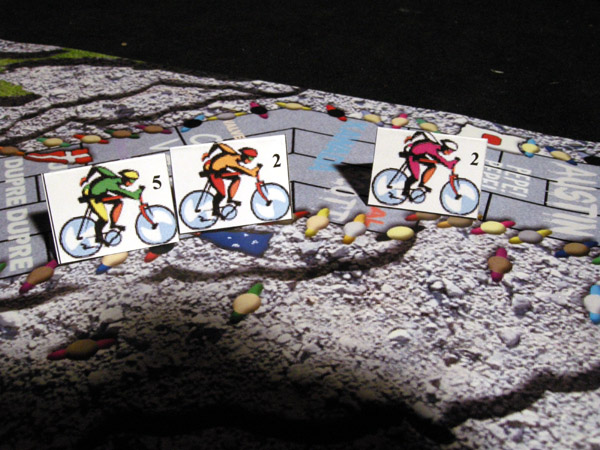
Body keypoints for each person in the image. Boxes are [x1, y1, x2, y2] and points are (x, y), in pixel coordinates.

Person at [79, 166, 144, 245]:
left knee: (118, 202)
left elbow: (96, 168)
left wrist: (87, 178)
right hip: (92, 196)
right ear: (126, 180)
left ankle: (113, 224)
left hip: (98, 193)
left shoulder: (113, 177)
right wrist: (140, 190)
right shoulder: (113, 185)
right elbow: (134, 196)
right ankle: (98, 237)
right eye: (130, 182)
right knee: (104, 219)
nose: (131, 184)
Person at [200, 142, 260, 218]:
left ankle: (230, 199)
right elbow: (251, 173)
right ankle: (215, 211)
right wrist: (258, 168)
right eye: (250, 158)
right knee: (221, 194)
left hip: (219, 168)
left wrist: (208, 154)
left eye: (253, 158)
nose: (251, 161)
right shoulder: (232, 162)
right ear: (244, 156)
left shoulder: (233, 153)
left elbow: (218, 144)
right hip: (212, 172)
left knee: (236, 178)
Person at [401, 131, 459, 197]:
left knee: (432, 166)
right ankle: (405, 192)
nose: (449, 153)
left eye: (451, 152)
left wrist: (451, 163)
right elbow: (439, 158)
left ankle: (422, 184)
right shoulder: (433, 147)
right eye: (449, 151)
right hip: (412, 156)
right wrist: (450, 164)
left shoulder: (436, 146)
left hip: (419, 154)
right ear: (445, 147)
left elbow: (439, 159)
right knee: (415, 177)